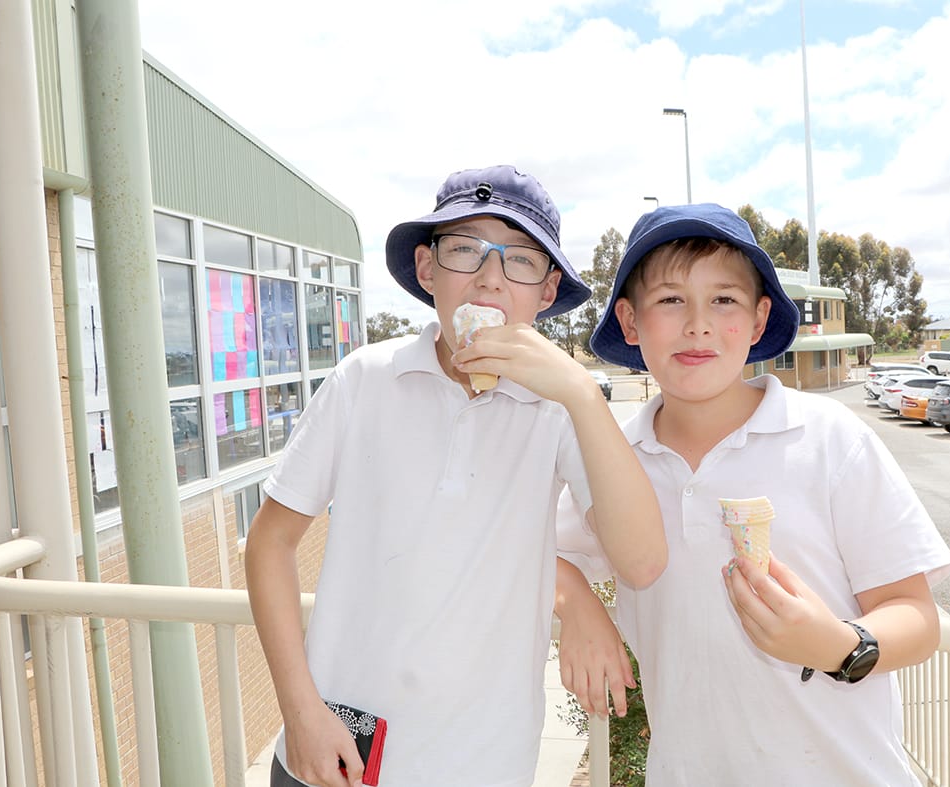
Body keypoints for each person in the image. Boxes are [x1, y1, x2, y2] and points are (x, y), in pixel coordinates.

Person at [245, 165, 666, 787]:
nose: (490, 277)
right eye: (465, 249)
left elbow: (642, 562)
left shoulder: (560, 410)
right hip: (333, 754)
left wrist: (581, 392)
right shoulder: (363, 380)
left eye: (520, 260)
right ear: (427, 270)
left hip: (483, 763)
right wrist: (300, 712)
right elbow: (268, 545)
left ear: (546, 293)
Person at [555, 203, 950, 784]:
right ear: (630, 320)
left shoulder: (829, 439)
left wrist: (840, 646)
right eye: (670, 299)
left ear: (760, 316)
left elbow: (917, 617)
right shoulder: (613, 459)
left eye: (724, 300)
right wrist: (578, 606)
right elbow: (536, 547)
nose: (698, 324)